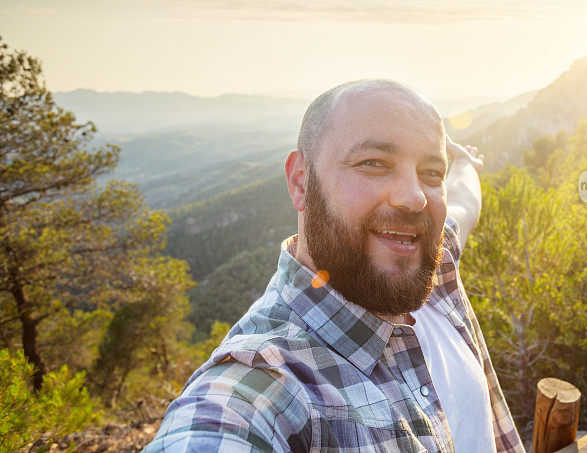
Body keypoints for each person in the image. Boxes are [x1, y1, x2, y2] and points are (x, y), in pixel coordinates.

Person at [144, 79, 524, 452]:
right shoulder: (270, 376)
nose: (414, 198)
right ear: (300, 182)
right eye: (374, 163)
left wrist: (464, 164)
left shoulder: (430, 261)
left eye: (431, 172)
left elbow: (463, 201)